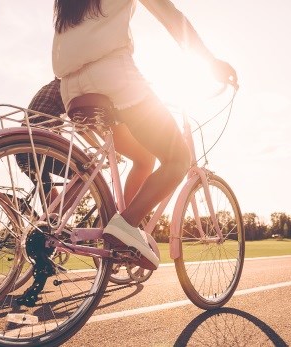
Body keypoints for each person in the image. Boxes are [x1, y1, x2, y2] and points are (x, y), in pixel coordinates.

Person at [52, 0, 238, 270]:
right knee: (178, 158)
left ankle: (122, 224)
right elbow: (171, 16)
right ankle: (124, 226)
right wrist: (210, 62)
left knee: (143, 157)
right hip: (114, 77)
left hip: (70, 88)